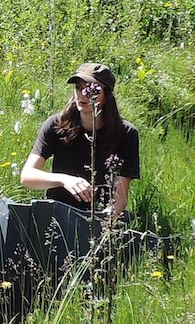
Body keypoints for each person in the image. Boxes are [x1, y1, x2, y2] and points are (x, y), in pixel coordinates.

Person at [20, 63, 140, 222]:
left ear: (107, 96)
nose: (83, 95)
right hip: (56, 216)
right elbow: (27, 176)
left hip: (101, 216)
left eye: (92, 89)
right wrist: (64, 180)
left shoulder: (126, 133)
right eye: (78, 87)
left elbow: (120, 197)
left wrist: (104, 223)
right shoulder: (56, 125)